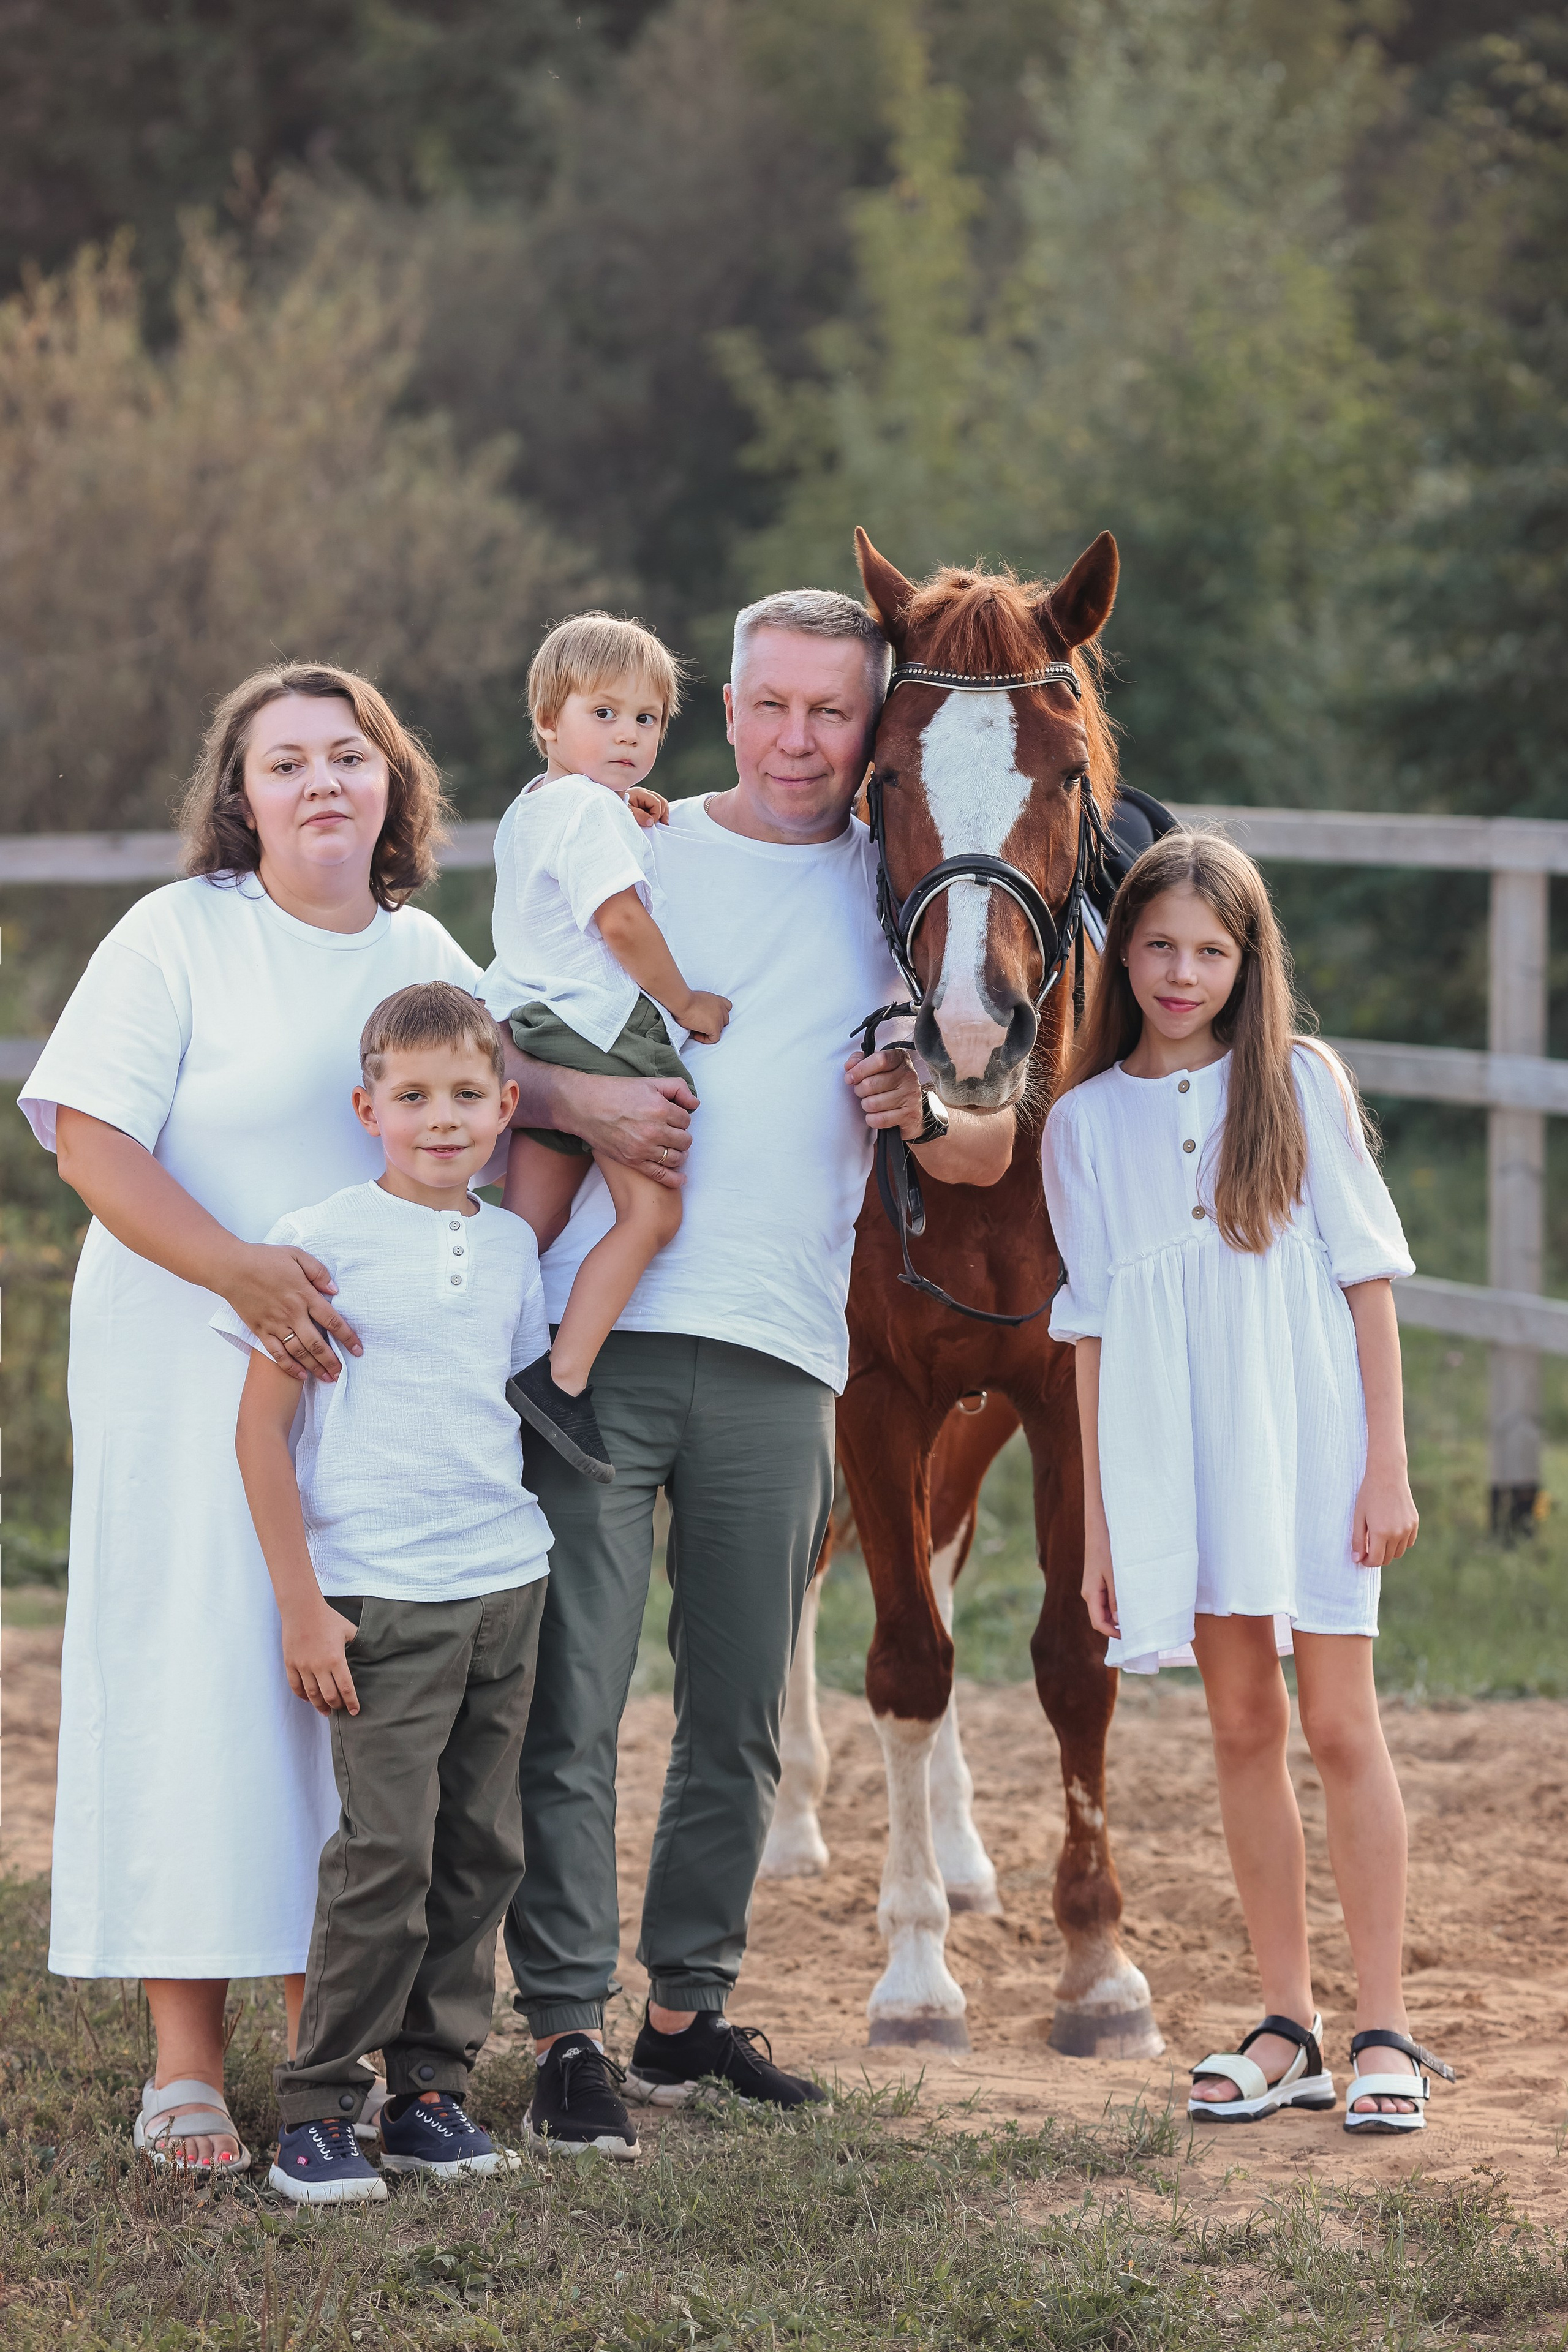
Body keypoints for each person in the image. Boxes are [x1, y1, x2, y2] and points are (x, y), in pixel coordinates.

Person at [495, 589, 1017, 2158]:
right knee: (575, 1701)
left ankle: (684, 2017)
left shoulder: (900, 894)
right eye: (772, 705)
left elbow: (995, 1142)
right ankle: (567, 2030)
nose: (799, 738)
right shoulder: (618, 837)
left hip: (789, 1346)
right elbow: (478, 1041)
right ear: (728, 704)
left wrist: (916, 1116)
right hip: (599, 1336)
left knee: (735, 1712)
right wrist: (582, 1112)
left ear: (871, 728)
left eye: (831, 712)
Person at [19, 665, 480, 2176]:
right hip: (179, 1346)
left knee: (331, 1681)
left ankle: (324, 2057)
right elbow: (89, 1142)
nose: (322, 782)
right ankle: (183, 2067)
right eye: (286, 763)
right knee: (198, 1672)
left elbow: (485, 1103)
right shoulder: (178, 935)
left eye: (349, 754)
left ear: (392, 782)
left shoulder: (421, 947)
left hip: (356, 1384)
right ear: (242, 797)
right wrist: (240, 1272)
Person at [1042, 829, 1452, 2135]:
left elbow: (1365, 1284)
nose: (1178, 973)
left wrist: (1386, 1462)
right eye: (1155, 946)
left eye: (1207, 952)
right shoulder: (1081, 1121)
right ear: (1122, 953)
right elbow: (1092, 1335)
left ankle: (1383, 2025)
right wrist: (1101, 1529)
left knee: (1337, 1724)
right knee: (1238, 1729)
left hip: (1309, 1440)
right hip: (1174, 1456)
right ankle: (1289, 2025)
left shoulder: (1293, 1082)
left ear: (1244, 960)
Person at [219, 982, 550, 2203]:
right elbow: (263, 1436)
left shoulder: (513, 1245)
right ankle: (316, 2106)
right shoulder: (319, 1241)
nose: (441, 1119)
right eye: (412, 1097)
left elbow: (504, 1402)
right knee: (384, 1858)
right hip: (380, 1599)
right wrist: (304, 1604)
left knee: (478, 1851)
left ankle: (430, 2093)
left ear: (506, 1109)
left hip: (506, 1584)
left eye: (467, 1096)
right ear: (368, 1108)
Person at [480, 613, 732, 1482]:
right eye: (604, 714)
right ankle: (561, 1380)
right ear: (548, 719)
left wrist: (621, 804)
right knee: (653, 1212)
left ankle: (464, 1362)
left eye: (648, 719)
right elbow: (619, 922)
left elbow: (570, 851)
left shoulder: (538, 805)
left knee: (526, 1228)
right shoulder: (591, 813)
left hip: (537, 1021)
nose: (628, 734)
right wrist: (686, 1002)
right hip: (601, 1027)